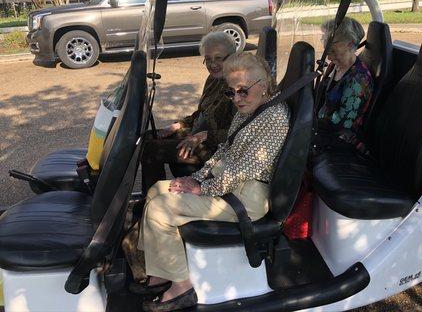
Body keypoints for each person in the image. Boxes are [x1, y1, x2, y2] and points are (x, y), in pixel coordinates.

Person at [134, 53, 290, 311]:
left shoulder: (273, 117)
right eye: (231, 92)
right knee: (156, 191)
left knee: (161, 210)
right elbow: (224, 152)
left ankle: (182, 287)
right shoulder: (250, 109)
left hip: (247, 196)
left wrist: (202, 188)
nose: (236, 99)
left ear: (263, 85)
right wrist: (195, 177)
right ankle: (161, 270)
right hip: (230, 183)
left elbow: (247, 166)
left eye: (243, 91)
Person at [141, 32, 237, 191]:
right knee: (148, 136)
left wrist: (204, 135)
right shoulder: (214, 79)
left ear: (233, 56)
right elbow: (201, 113)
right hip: (196, 135)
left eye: (219, 58)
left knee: (151, 149)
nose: (212, 64)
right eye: (208, 59)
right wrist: (177, 126)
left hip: (215, 148)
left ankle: (150, 197)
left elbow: (241, 131)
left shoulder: (238, 87)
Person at [316, 17, 373, 149]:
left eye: (333, 51)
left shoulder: (358, 79)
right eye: (327, 51)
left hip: (341, 140)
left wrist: (309, 123)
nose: (329, 57)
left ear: (351, 44)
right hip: (323, 129)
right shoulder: (334, 66)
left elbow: (343, 123)